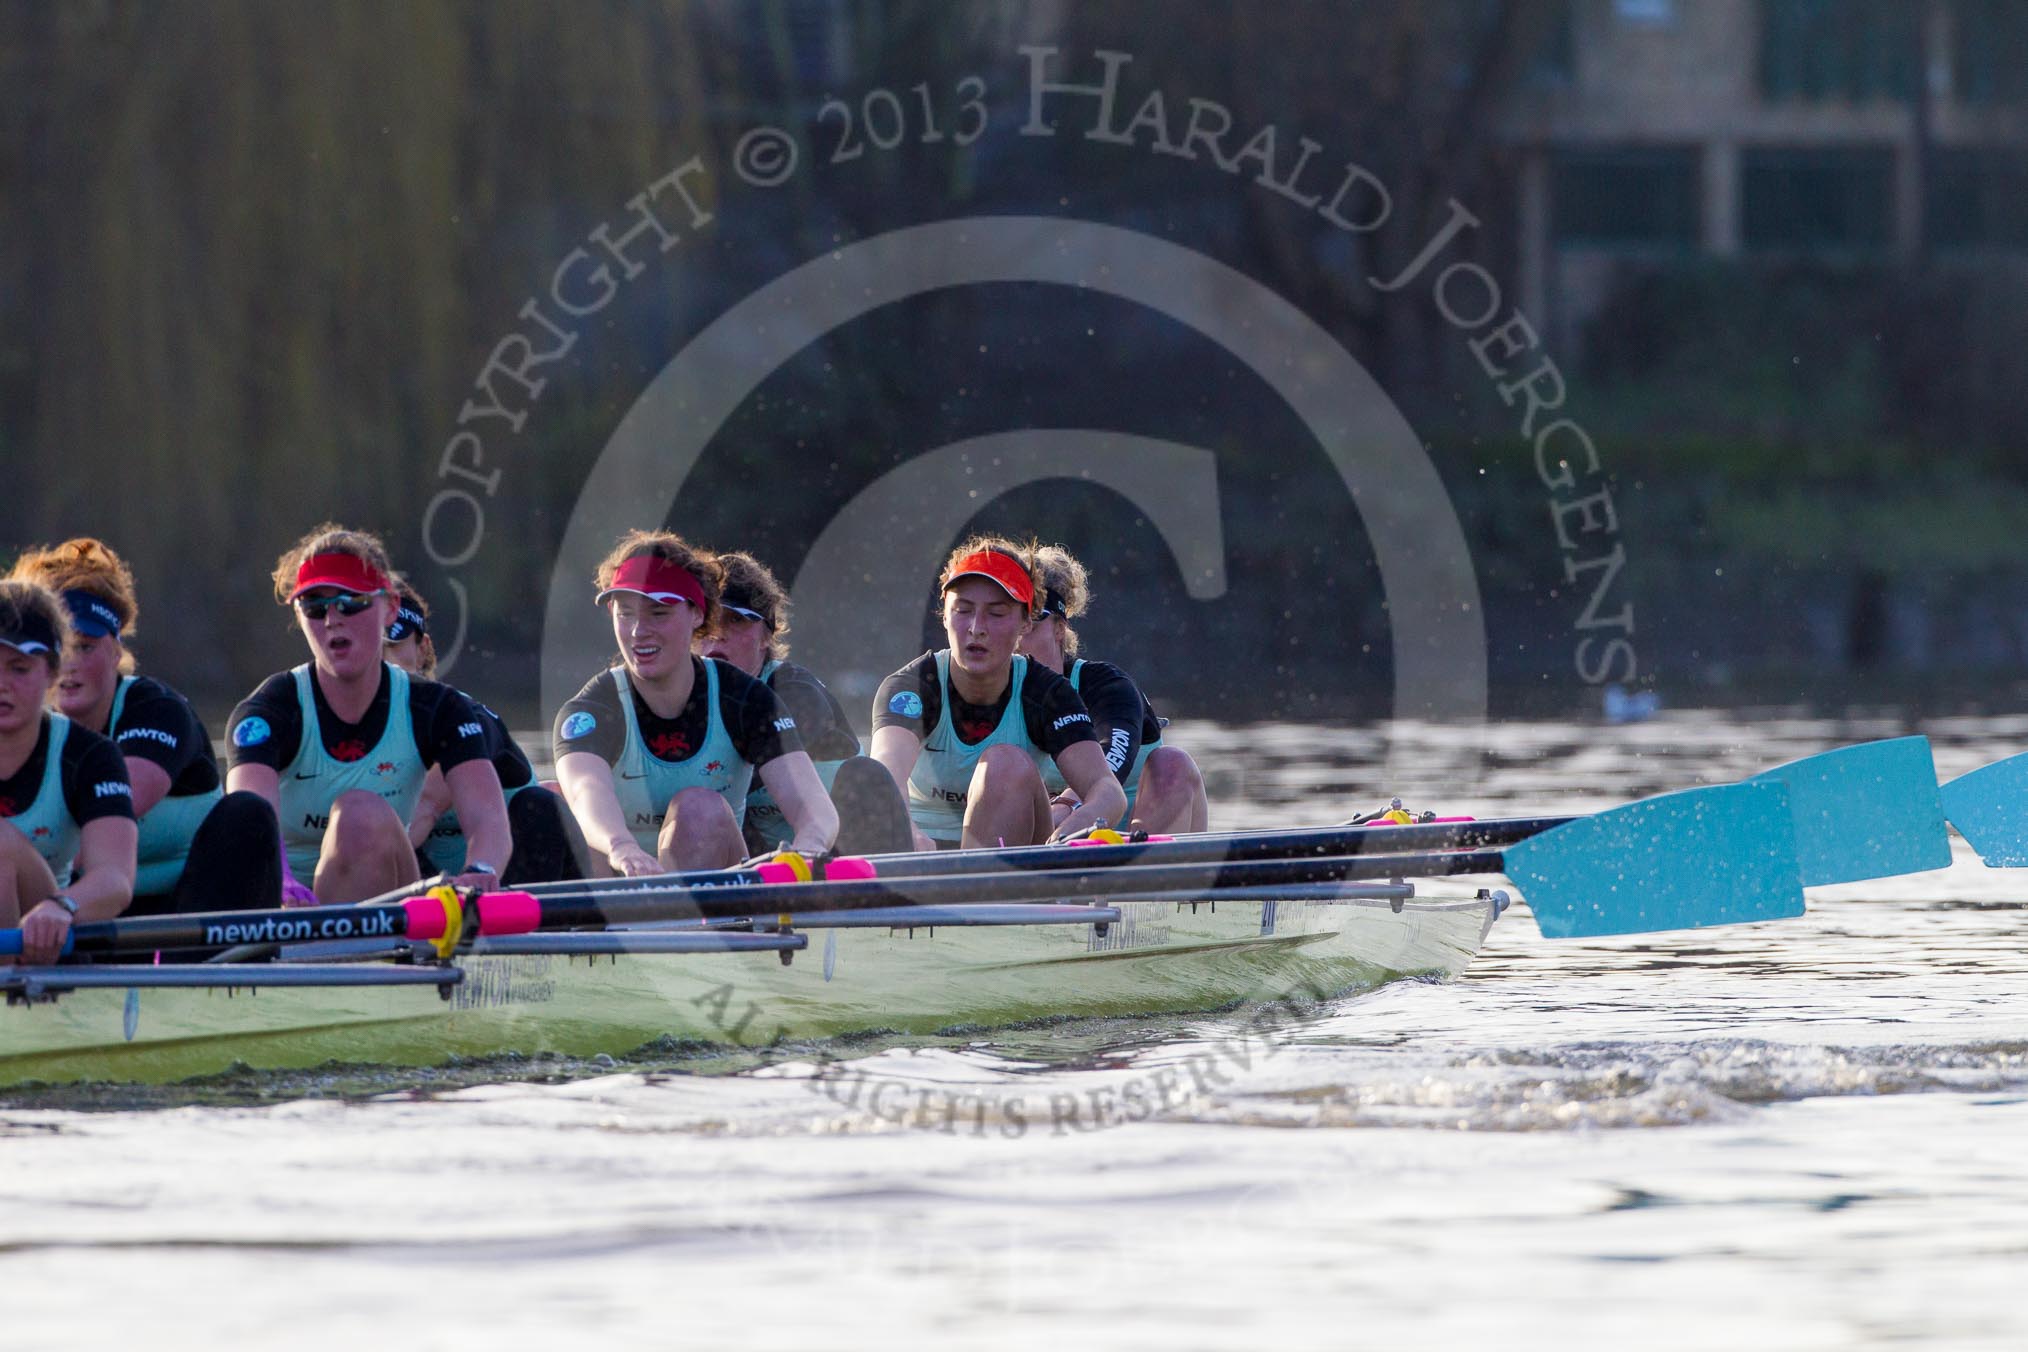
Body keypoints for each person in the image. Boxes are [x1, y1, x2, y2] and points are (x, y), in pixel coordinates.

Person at [225, 525, 509, 905]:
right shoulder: (268, 713)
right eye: (314, 606)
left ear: (389, 607)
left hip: (385, 896)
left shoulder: (437, 708)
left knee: (359, 815)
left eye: (350, 602)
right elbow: (248, 822)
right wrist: (278, 883)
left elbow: (489, 821)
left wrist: (481, 871)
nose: (332, 619)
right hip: (283, 907)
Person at [10, 538, 280, 916]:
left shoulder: (156, 710)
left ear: (117, 650)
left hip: (190, 913)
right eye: (58, 649)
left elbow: (114, 805)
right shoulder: (16, 726)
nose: (68, 665)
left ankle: (213, 969)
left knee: (247, 812)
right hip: (77, 913)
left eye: (84, 647)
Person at [551, 530, 837, 874]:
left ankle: (691, 920)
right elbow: (585, 790)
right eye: (626, 613)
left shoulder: (745, 700)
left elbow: (816, 812)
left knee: (697, 807)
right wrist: (621, 847)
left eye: (658, 613)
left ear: (699, 614)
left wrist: (808, 849)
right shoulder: (592, 711)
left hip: (713, 891)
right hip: (619, 878)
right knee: (547, 799)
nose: (639, 630)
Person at [870, 537, 1125, 850]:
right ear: (945, 617)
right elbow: (883, 780)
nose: (977, 627)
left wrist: (1074, 827)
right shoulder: (911, 688)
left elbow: (1107, 790)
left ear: (1025, 623)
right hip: (922, 854)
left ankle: (978, 887)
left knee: (1005, 763)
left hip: (1012, 853)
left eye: (996, 613)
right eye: (963, 610)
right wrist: (910, 836)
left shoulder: (1046, 693)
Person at [695, 550, 913, 856]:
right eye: (708, 621)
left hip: (840, 853)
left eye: (735, 621)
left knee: (866, 774)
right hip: (762, 854)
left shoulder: (795, 690)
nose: (717, 635)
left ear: (766, 636)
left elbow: (757, 756)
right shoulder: (684, 700)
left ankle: (884, 898)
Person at [383, 579, 584, 883]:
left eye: (394, 646)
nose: (384, 663)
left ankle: (568, 924)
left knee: (543, 803)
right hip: (426, 882)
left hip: (509, 880)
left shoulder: (464, 715)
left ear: (422, 650)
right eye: (376, 648)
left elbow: (425, 804)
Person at [1017, 543, 1210, 835]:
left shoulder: (1108, 688)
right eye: (1004, 619)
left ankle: (1153, 876)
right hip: (1046, 847)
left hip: (1133, 841)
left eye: (1030, 621)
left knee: (1173, 763)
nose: (1016, 637)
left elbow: (1110, 764)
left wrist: (1064, 807)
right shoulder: (980, 694)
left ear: (1059, 628)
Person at [0, 579, 136, 964]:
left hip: (42, 934)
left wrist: (63, 905)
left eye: (19, 668)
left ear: (52, 672)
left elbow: (115, 879)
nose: (1, 685)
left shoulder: (89, 756)